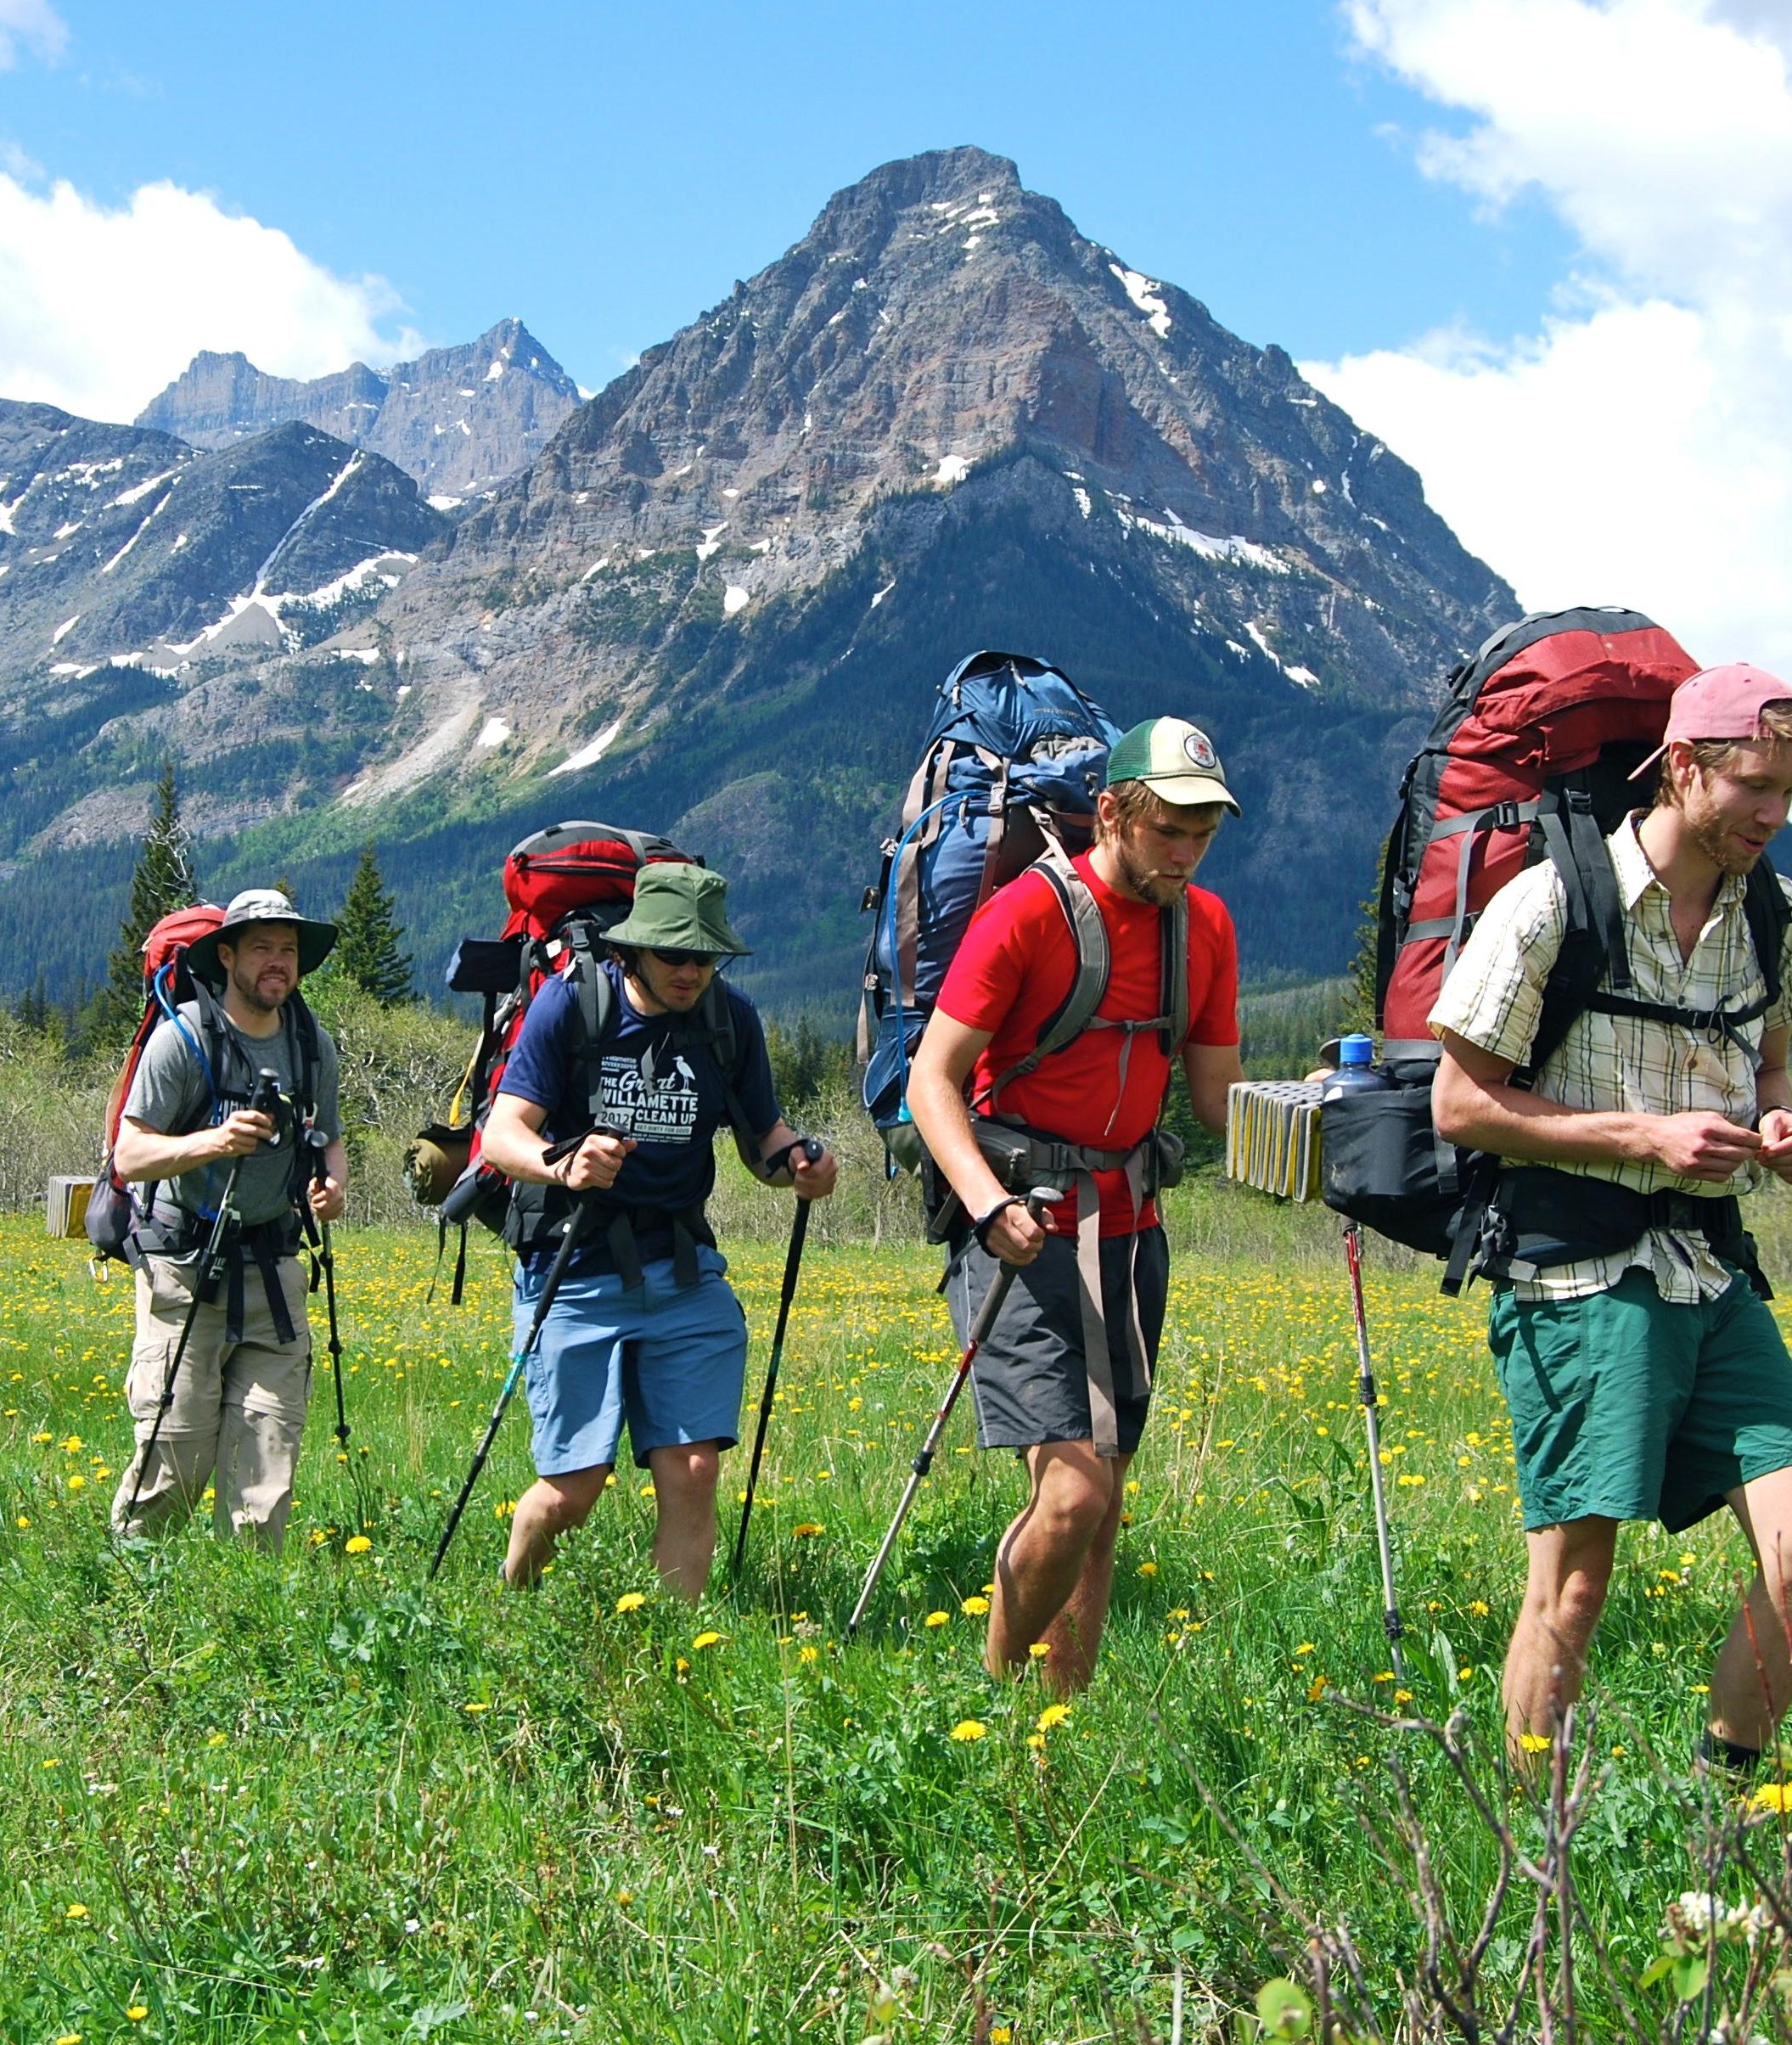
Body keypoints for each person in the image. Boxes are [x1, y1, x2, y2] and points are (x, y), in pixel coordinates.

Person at [1429, 666, 1792, 1769]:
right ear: (1684, 766)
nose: (1773, 815)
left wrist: (1789, 1130)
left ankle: (1722, 1800)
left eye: (1791, 793)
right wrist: (1642, 1134)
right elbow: (1459, 1102)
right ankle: (1526, 1847)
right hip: (1574, 1269)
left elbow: (1776, 1070)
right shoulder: (1555, 904)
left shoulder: (1777, 914)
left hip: (1709, 1267)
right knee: (1571, 1587)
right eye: (1755, 785)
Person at [908, 717, 1242, 1694]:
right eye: (1167, 831)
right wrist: (984, 1206)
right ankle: (1001, 1697)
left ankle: (1065, 1716)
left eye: (1202, 835)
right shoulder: (1026, 913)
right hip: (1024, 1228)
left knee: (1100, 1504)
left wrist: (1330, 1135)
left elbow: (1220, 1099)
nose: (1184, 855)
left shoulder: (1206, 928)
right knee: (1074, 1498)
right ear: (1111, 813)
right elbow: (936, 1079)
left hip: (1132, 1233)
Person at [480, 862, 837, 1596]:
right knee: (573, 1490)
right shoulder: (572, 1007)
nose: (691, 971)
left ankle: (680, 1646)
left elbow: (760, 1135)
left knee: (695, 1468)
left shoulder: (728, 1020)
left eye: (706, 957)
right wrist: (565, 1162)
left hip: (681, 1269)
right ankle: (513, 1600)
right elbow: (501, 1136)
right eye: (675, 954)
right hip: (571, 1265)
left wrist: (798, 1163)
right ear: (633, 949)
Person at [110, 889, 347, 1544]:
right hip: (186, 1271)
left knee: (268, 1460)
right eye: (263, 948)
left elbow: (327, 1137)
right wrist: (212, 1143)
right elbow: (128, 1156)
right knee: (176, 1453)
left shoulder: (311, 1044)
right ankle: (134, 1588)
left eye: (289, 951)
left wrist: (332, 1187)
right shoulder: (182, 1039)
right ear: (228, 956)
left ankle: (247, 1609)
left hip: (274, 1271)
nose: (278, 962)